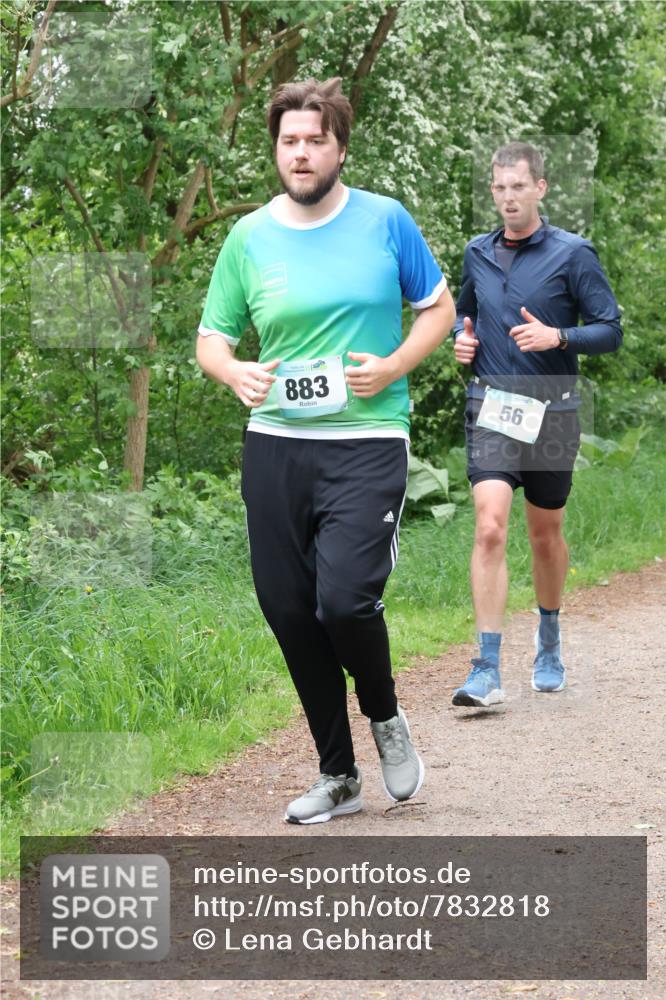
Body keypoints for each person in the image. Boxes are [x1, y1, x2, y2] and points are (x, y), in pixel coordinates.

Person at [196, 78, 455, 823]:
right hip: (276, 442)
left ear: (339, 147)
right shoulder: (248, 236)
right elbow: (212, 337)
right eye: (289, 141)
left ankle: (385, 717)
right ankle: (337, 776)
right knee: (288, 609)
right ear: (276, 150)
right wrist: (233, 369)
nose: (301, 153)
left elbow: (437, 307)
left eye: (315, 140)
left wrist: (395, 365)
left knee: (341, 600)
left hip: (366, 439)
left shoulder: (385, 221)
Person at [451, 141, 622, 707]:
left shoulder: (574, 254)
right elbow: (463, 310)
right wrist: (462, 337)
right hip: (492, 407)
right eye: (499, 188)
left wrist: (559, 337)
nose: (507, 198)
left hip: (552, 409)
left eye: (517, 187)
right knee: (490, 526)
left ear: (541, 188)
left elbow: (610, 330)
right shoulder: (477, 252)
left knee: (544, 535)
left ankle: (548, 638)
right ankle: (486, 666)